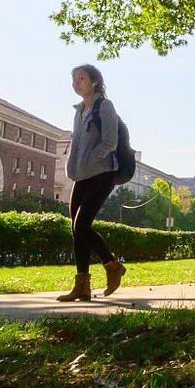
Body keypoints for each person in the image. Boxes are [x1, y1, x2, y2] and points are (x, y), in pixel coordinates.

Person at [59, 63, 127, 302]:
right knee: (75, 230)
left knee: (81, 225)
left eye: (82, 78)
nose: (77, 83)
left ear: (95, 82)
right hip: (82, 175)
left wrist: (91, 159)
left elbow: (110, 142)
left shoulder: (104, 106)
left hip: (102, 174)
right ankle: (82, 286)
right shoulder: (78, 111)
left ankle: (112, 266)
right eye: (74, 79)